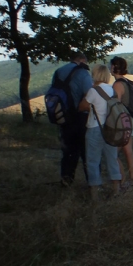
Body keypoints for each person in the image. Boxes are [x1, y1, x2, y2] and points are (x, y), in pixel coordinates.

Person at [79, 64, 122, 199]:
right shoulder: (112, 90)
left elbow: (81, 107)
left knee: (93, 161)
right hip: (112, 128)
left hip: (94, 128)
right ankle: (116, 189)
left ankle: (95, 193)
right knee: (112, 159)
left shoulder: (93, 91)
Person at [52, 52, 92, 187]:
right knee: (87, 152)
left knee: (69, 152)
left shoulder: (58, 72)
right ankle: (92, 184)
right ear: (82, 60)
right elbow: (89, 96)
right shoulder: (83, 73)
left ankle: (66, 181)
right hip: (81, 117)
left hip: (63, 116)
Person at [110, 56, 133, 192]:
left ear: (114, 67)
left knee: (113, 153)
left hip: (123, 121)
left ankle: (122, 181)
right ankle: (132, 181)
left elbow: (116, 105)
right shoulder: (128, 82)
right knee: (129, 151)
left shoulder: (117, 84)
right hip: (132, 120)